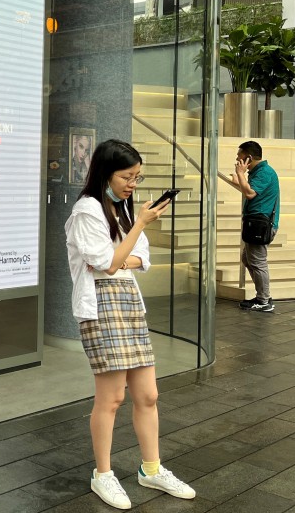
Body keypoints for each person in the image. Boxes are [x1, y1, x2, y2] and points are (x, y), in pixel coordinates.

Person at [65, 139, 195, 509]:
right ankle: (103, 474)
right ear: (105, 173)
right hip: (101, 305)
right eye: (127, 177)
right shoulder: (86, 211)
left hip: (127, 302)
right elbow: (107, 264)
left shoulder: (120, 208)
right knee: (112, 398)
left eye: (137, 177)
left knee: (148, 395)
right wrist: (137, 229)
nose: (132, 184)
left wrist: (123, 252)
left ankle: (151, 469)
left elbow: (141, 257)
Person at [230, 140, 279, 313]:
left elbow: (250, 194)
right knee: (247, 259)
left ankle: (264, 300)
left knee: (258, 262)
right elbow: (251, 190)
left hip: (261, 225)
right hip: (255, 223)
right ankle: (262, 296)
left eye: (239, 156)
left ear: (249, 158)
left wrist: (240, 174)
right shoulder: (258, 172)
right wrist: (239, 179)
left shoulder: (265, 172)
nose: (237, 159)